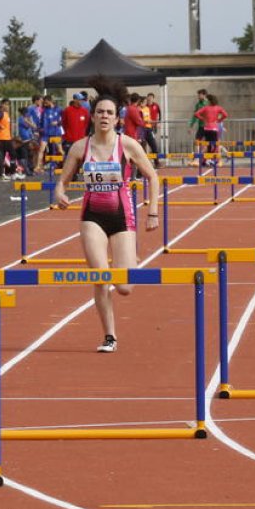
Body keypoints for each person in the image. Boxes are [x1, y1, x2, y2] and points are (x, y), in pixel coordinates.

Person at [53, 78, 160, 353]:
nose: (104, 116)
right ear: (93, 115)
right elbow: (62, 181)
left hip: (122, 216)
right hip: (92, 217)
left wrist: (153, 212)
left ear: (117, 118)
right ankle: (109, 335)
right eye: (100, 111)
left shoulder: (128, 145)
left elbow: (153, 177)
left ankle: (129, 259)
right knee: (100, 276)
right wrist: (60, 193)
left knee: (124, 286)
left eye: (109, 113)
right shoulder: (80, 147)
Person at [194, 94, 228, 162]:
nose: (206, 102)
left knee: (208, 144)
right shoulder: (218, 108)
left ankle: (208, 158)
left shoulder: (206, 108)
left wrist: (203, 119)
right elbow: (225, 115)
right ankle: (214, 159)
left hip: (206, 128)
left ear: (209, 101)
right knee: (215, 144)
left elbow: (196, 114)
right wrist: (219, 120)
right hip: (214, 128)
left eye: (207, 100)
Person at [0, 98, 17, 178]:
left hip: (7, 138)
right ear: (2, 104)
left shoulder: (6, 114)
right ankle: (5, 173)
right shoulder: (0, 113)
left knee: (11, 155)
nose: (7, 106)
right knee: (3, 156)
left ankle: (10, 173)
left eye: (8, 104)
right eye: (6, 104)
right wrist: (1, 126)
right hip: (1, 138)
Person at [141, 92, 161, 164]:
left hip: (150, 128)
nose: (149, 100)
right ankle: (145, 162)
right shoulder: (139, 109)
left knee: (153, 144)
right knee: (143, 145)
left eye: (150, 98)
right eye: (147, 98)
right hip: (142, 129)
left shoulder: (153, 106)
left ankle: (156, 161)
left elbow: (159, 114)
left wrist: (157, 122)